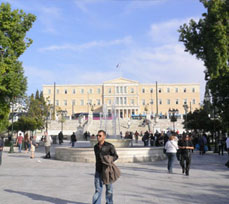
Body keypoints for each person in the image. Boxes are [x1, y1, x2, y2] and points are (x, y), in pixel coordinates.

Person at [92, 130, 119, 204]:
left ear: (104, 136)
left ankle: (109, 202)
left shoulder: (109, 146)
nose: (98, 137)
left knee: (109, 190)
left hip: (107, 171)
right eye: (97, 135)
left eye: (100, 135)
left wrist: (109, 159)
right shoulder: (95, 147)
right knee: (98, 190)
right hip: (98, 170)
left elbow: (116, 156)